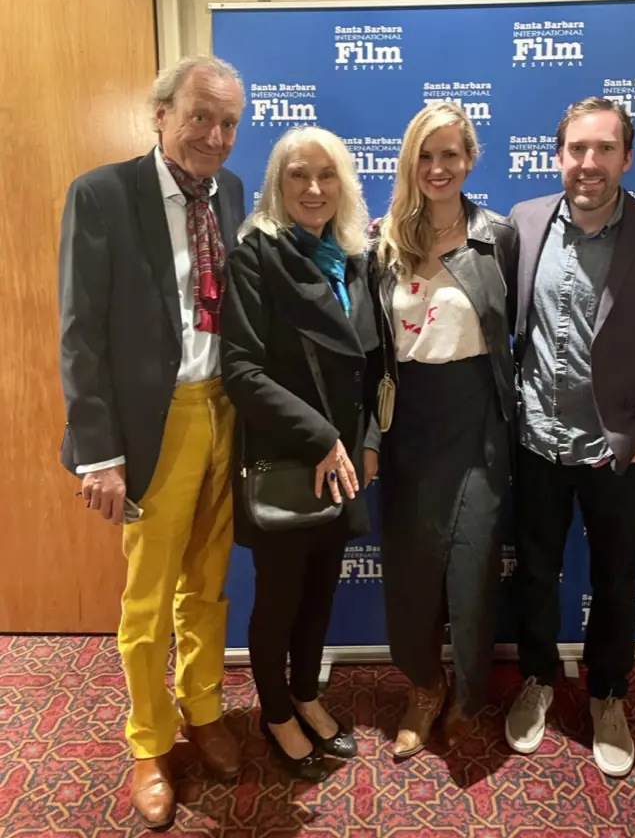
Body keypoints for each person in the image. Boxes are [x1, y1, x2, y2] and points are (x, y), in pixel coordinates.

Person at [58, 55, 246, 830]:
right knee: (147, 597)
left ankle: (203, 709)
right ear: (159, 113)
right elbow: (79, 333)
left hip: (223, 412)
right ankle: (148, 739)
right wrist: (98, 450)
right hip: (151, 422)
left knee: (207, 579)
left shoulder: (231, 193)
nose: (214, 135)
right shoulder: (103, 194)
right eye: (200, 115)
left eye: (228, 122)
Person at [505, 96, 635, 777]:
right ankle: (536, 679)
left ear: (625, 157)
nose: (587, 163)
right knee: (533, 574)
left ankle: (606, 693)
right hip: (534, 444)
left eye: (602, 150)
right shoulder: (524, 223)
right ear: (557, 156)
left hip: (614, 453)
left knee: (615, 584)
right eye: (575, 150)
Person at [220, 126, 379, 782]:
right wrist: (321, 438)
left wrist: (363, 440)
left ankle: (309, 695)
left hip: (341, 458)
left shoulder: (352, 256)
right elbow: (241, 368)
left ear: (342, 185)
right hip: (291, 451)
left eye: (325, 176)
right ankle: (276, 711)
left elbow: (368, 364)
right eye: (297, 177)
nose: (313, 189)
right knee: (279, 597)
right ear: (276, 187)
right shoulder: (257, 253)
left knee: (319, 593)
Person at [366, 102, 518, 759]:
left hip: (478, 417)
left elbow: (519, 338)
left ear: (469, 159)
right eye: (424, 156)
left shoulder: (500, 236)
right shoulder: (382, 241)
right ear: (409, 162)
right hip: (407, 424)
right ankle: (423, 686)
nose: (437, 168)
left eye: (450, 155)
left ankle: (469, 692)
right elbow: (370, 351)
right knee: (410, 567)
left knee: (474, 564)